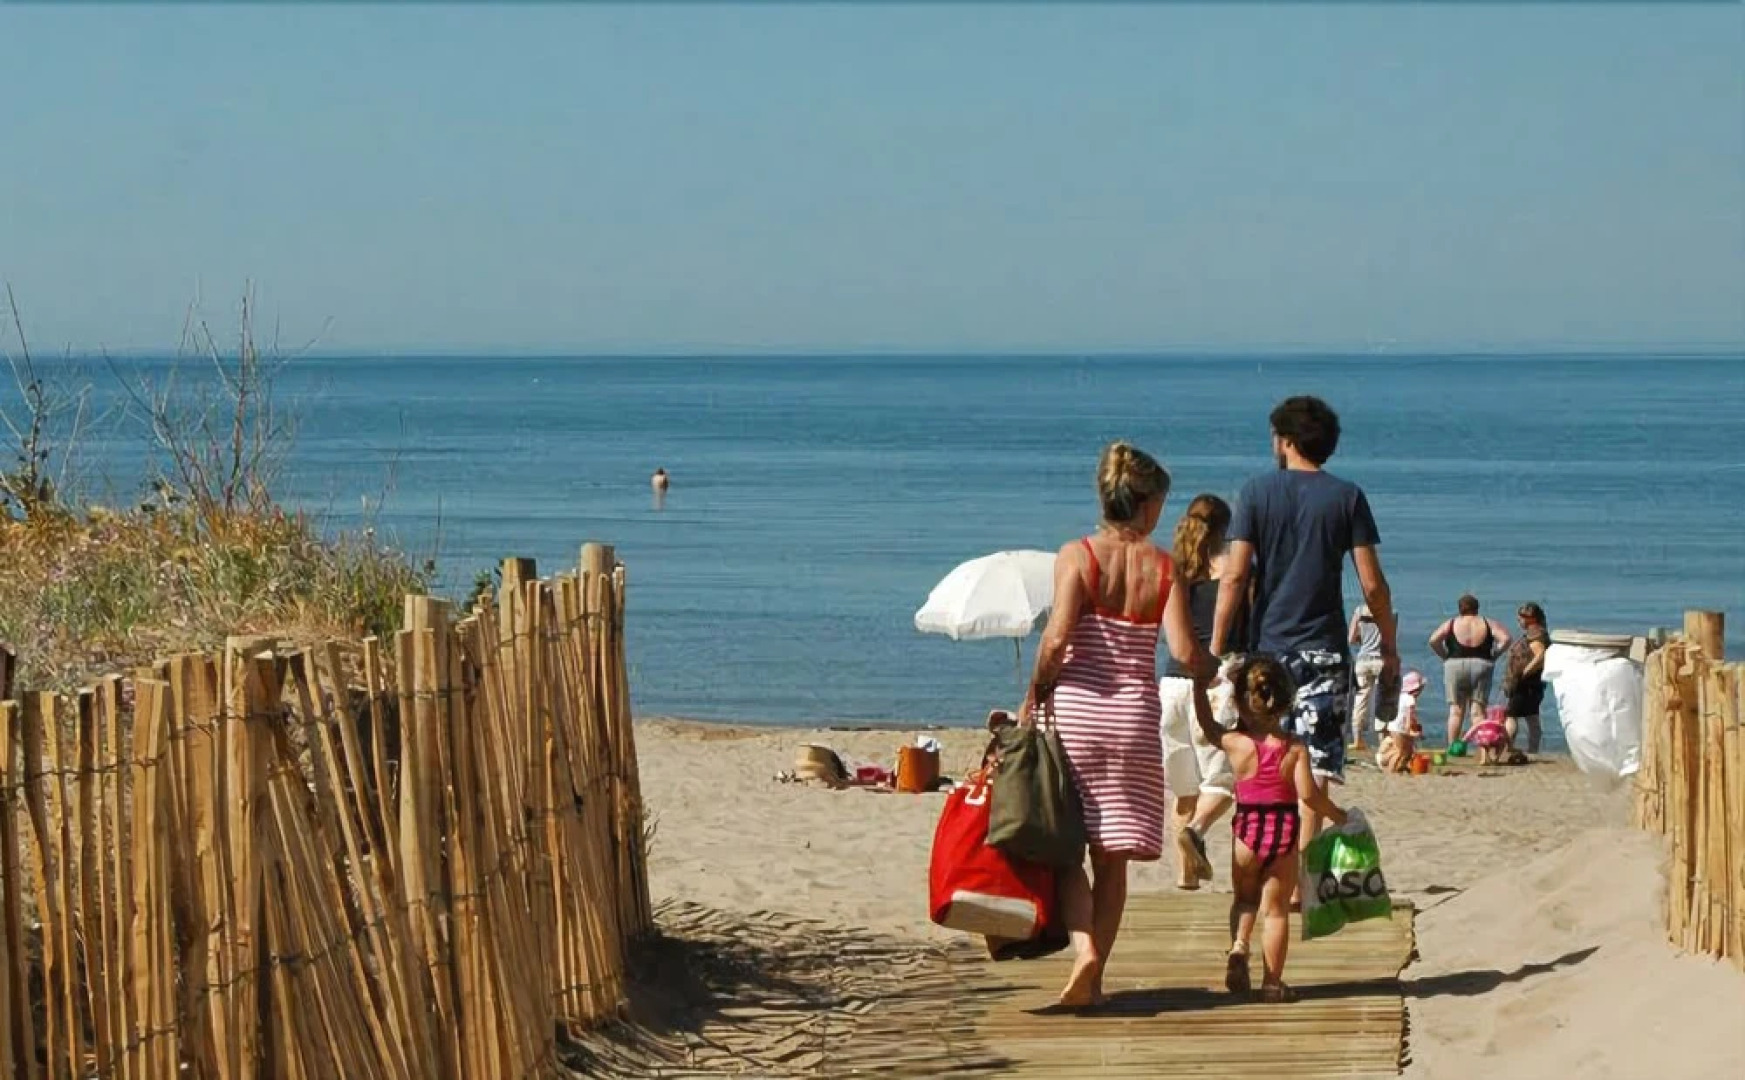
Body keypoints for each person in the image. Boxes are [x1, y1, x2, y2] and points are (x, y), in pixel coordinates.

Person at [1020, 441, 1208, 1008]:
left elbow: (1055, 640)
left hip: (1077, 714)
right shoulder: (1164, 567)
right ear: (1147, 504)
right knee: (1113, 857)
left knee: (1068, 850)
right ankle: (1095, 982)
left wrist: (1034, 694)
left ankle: (1084, 953)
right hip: (1131, 718)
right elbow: (1181, 648)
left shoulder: (1076, 555)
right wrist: (1217, 671)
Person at [1211, 396, 1398, 856]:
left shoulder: (1256, 493)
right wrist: (1388, 647)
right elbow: (1373, 585)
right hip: (1325, 649)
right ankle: (1301, 875)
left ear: (1286, 440)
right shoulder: (1347, 497)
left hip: (1270, 647)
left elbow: (1234, 575)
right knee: (1315, 765)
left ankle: (1262, 853)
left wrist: (1215, 646)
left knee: (1265, 753)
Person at [1192, 656, 1347, 1003]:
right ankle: (1272, 984)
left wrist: (1200, 687)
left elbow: (1206, 726)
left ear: (1240, 701)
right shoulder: (1293, 748)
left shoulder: (1235, 743)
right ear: (1286, 700)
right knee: (1275, 911)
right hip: (1283, 830)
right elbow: (1309, 796)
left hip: (1248, 829)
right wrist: (1338, 816)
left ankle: (1239, 946)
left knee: (1245, 899)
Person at [1157, 494, 1246, 890]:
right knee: (1224, 781)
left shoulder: (1172, 570)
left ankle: (1186, 880)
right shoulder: (1234, 569)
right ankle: (1196, 830)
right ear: (1226, 529)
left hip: (1171, 685)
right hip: (1216, 680)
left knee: (1184, 787)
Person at [1428, 595, 1511, 747]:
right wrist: (1495, 655)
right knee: (1478, 711)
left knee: (1456, 710)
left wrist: (1445, 655)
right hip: (1482, 664)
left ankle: (1453, 746)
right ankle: (1482, 746)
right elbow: (1506, 638)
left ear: (1460, 608)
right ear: (1477, 608)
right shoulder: (1487, 623)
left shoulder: (1452, 623)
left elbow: (1433, 640)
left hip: (1455, 664)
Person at [1503, 602, 1551, 755]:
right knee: (1532, 717)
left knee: (1511, 716)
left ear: (1529, 619)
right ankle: (1533, 750)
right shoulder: (1539, 633)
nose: (1518, 622)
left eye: (1520, 619)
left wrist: (1524, 672)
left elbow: (1541, 655)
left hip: (1526, 683)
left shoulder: (1535, 636)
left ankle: (1508, 748)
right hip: (1535, 684)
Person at [1347, 603, 1390, 748]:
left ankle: (1357, 739)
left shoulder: (1359, 611)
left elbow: (1351, 638)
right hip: (1381, 660)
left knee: (1360, 700)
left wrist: (1363, 639)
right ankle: (1383, 740)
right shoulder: (1388, 610)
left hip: (1363, 660)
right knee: (1383, 700)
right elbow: (1390, 639)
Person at [1376, 670, 1426, 773]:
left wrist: (1415, 726)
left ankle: (1389, 762)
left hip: (1393, 726)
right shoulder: (1410, 699)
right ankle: (1391, 770)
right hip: (1400, 729)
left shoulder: (1401, 697)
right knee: (1400, 752)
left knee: (1405, 750)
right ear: (1416, 689)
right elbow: (1409, 717)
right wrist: (1411, 731)